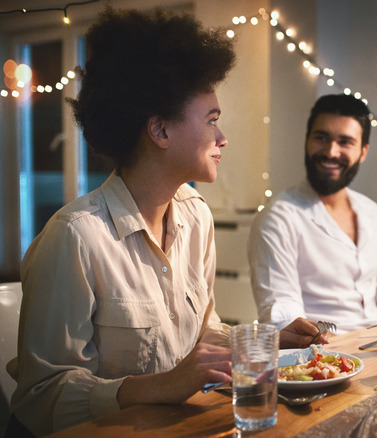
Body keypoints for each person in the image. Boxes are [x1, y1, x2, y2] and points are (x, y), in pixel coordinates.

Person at [5, 8, 324, 437]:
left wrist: (266, 340)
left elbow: (202, 334)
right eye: (211, 119)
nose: (222, 137)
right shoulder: (76, 237)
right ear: (159, 130)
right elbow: (41, 397)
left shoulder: (196, 215)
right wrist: (158, 387)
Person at [248, 94, 377, 332]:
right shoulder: (279, 218)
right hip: (324, 355)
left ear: (363, 151)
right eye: (321, 138)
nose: (331, 152)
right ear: (306, 141)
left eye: (345, 142)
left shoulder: (374, 214)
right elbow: (283, 318)